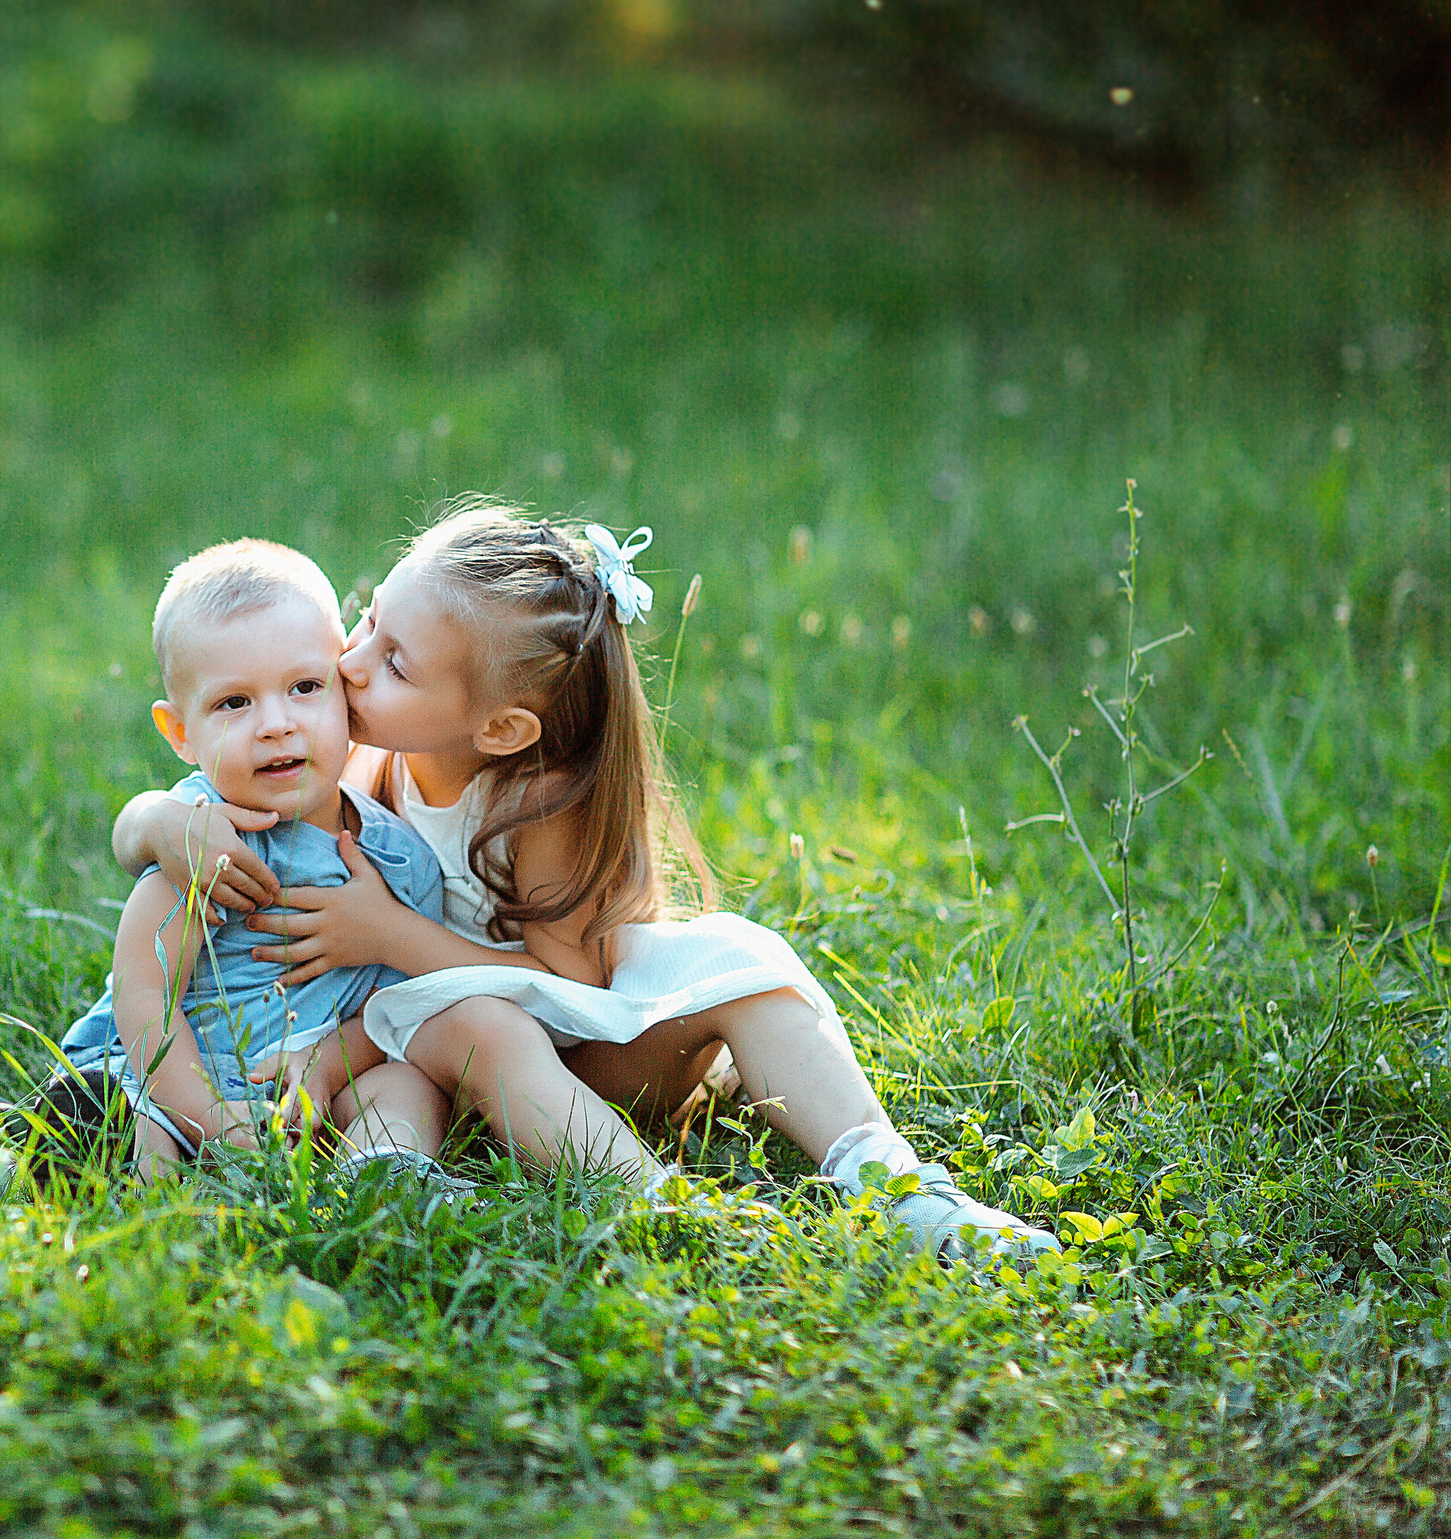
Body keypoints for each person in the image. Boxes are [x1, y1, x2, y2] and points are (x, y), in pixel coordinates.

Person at [113, 504, 1061, 1261]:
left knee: (757, 975)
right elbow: (161, 842)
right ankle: (624, 1191)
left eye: (392, 660)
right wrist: (158, 819)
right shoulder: (358, 760)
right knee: (463, 1025)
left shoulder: (535, 801)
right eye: (367, 620)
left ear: (498, 729)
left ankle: (897, 1184)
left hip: (584, 1042)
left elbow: (572, 995)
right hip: (448, 1051)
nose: (348, 663)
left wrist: (387, 934)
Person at [48, 539, 456, 1177]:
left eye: (303, 687)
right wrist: (213, 1121)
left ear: (345, 691)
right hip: (172, 1078)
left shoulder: (398, 862)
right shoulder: (203, 841)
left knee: (406, 1086)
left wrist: (326, 1066)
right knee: (148, 1135)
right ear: (181, 732)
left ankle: (388, 1174)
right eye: (234, 703)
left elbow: (397, 1008)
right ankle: (116, 1159)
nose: (275, 723)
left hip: (312, 1090)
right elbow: (143, 991)